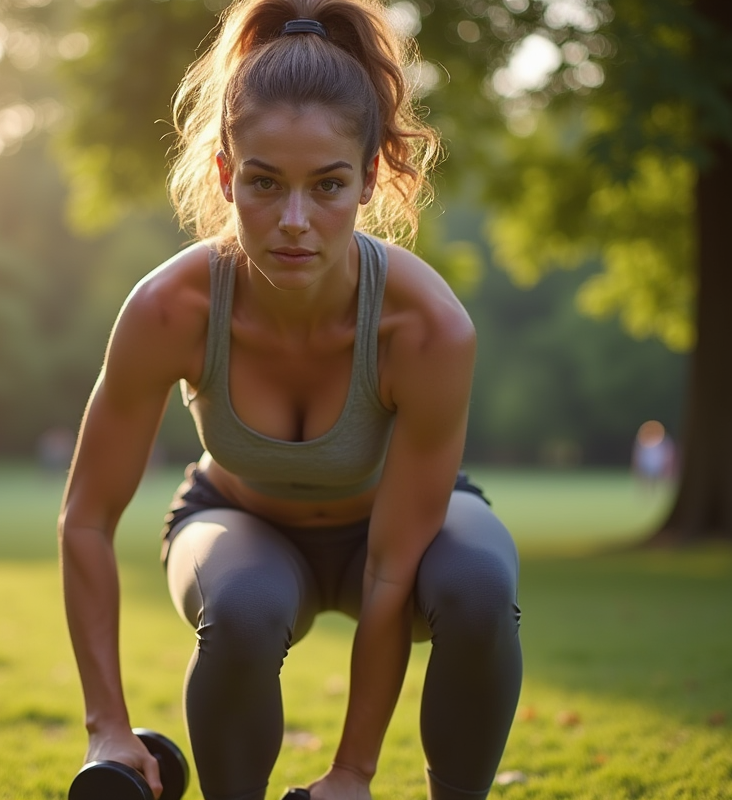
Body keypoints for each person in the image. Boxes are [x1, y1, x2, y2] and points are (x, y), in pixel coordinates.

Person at [57, 1, 523, 798]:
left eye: (329, 185)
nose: (295, 222)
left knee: (479, 587)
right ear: (224, 175)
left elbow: (389, 570)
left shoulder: (427, 326)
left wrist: (352, 772)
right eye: (265, 183)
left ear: (371, 176)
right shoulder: (170, 310)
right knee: (241, 608)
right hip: (240, 522)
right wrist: (107, 725)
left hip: (402, 528)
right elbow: (88, 521)